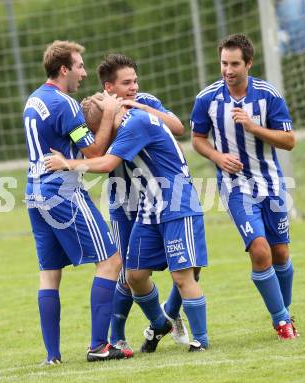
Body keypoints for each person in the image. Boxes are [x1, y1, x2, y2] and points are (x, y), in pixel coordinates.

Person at [45, 99, 209, 353]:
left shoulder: (136, 123)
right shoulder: (128, 122)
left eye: (100, 131)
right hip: (149, 206)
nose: (99, 139)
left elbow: (106, 162)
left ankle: (201, 340)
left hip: (176, 203)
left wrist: (67, 163)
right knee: (134, 274)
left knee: (182, 275)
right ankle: (159, 322)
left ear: (109, 121)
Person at [23, 40, 133, 364]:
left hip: (34, 190)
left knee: (49, 274)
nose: (84, 73)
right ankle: (99, 346)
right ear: (64, 69)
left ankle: (52, 356)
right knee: (112, 260)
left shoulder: (34, 100)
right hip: (62, 189)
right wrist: (110, 115)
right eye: (80, 66)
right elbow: (95, 153)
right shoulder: (65, 104)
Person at [190, 34, 297, 340]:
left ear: (248, 63)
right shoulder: (207, 99)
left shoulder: (268, 95)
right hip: (236, 187)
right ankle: (281, 322)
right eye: (224, 63)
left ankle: (285, 312)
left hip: (272, 183)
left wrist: (253, 127)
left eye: (235, 63)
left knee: (280, 253)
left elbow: (289, 141)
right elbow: (197, 139)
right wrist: (217, 156)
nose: (228, 69)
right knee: (260, 250)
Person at [95, 53, 190, 351]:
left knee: (188, 265)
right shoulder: (96, 110)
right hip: (125, 202)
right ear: (109, 87)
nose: (134, 87)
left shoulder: (144, 100)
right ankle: (117, 335)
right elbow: (95, 151)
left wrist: (140, 107)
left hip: (160, 197)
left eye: (135, 80)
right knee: (127, 271)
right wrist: (110, 118)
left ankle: (170, 315)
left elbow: (177, 127)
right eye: (126, 83)